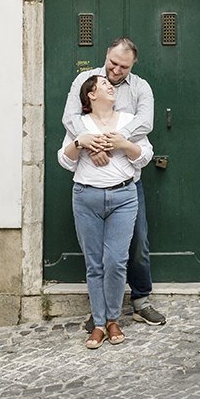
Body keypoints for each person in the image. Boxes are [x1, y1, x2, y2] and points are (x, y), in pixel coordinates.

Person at [62, 38, 168, 328]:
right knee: (96, 255)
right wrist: (93, 144)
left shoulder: (140, 88)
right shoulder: (85, 79)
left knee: (138, 243)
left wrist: (115, 142)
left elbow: (145, 123)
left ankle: (140, 301)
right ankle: (101, 313)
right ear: (106, 55)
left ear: (132, 65)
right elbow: (71, 117)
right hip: (90, 181)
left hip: (127, 182)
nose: (116, 70)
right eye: (113, 63)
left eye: (123, 66)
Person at [59, 75, 152, 348]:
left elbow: (144, 156)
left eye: (110, 85)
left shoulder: (127, 121)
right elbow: (64, 160)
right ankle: (99, 324)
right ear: (90, 94)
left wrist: (123, 144)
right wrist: (81, 143)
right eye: (103, 84)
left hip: (124, 196)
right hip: (86, 197)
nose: (110, 86)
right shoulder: (80, 125)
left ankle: (114, 319)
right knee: (94, 263)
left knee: (115, 261)